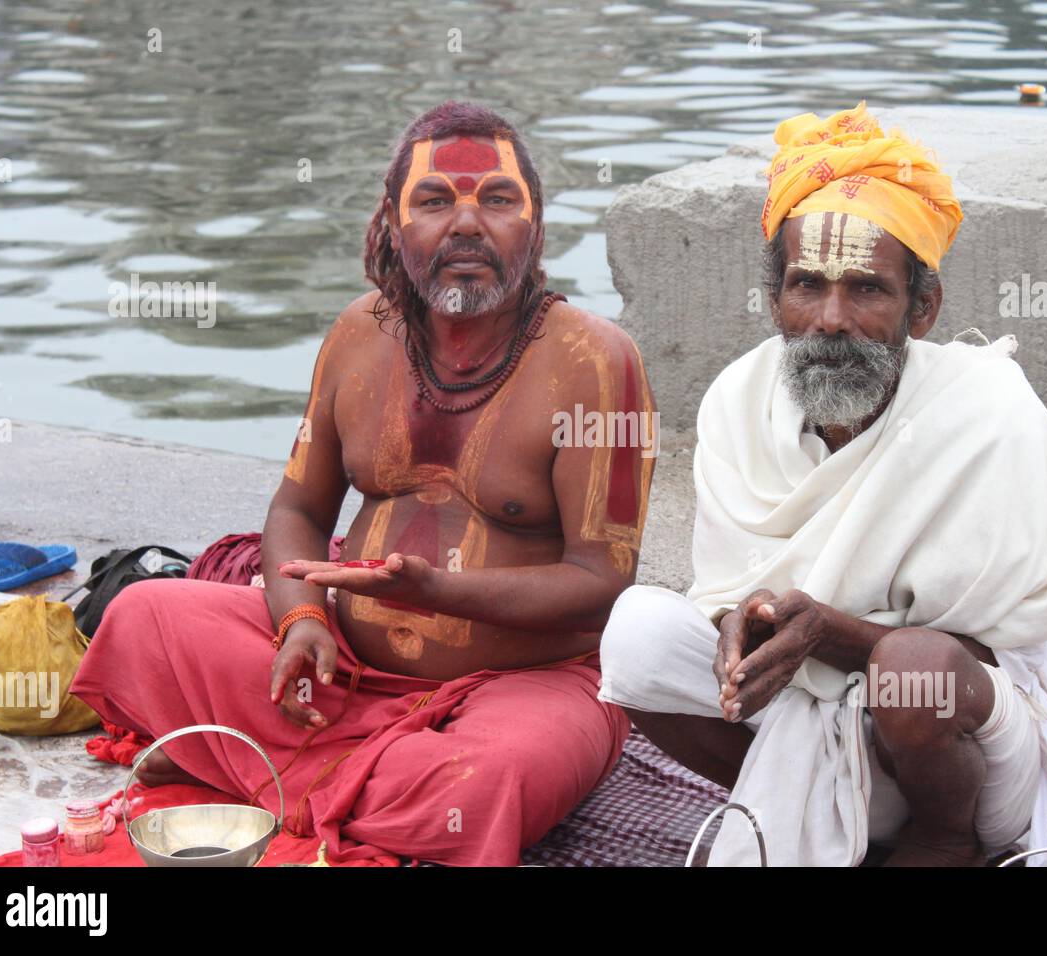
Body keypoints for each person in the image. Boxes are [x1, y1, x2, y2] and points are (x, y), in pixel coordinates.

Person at [70, 101, 656, 866]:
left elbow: (605, 581)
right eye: (435, 201)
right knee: (143, 618)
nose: (468, 225)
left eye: (499, 200)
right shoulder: (357, 334)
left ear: (536, 226)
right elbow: (298, 508)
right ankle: (326, 774)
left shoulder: (597, 362)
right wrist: (301, 623)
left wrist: (435, 591)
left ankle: (249, 765)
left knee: (486, 784)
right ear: (393, 221)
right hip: (344, 664)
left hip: (523, 684)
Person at [597, 102, 1047, 867]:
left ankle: (941, 842)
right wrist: (737, 623)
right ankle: (829, 816)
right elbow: (730, 588)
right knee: (636, 635)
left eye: (868, 290)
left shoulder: (986, 412)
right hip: (803, 715)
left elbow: (977, 648)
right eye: (806, 286)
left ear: (923, 308)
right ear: (774, 300)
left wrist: (833, 633)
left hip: (966, 757)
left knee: (911, 670)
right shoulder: (737, 400)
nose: (831, 319)